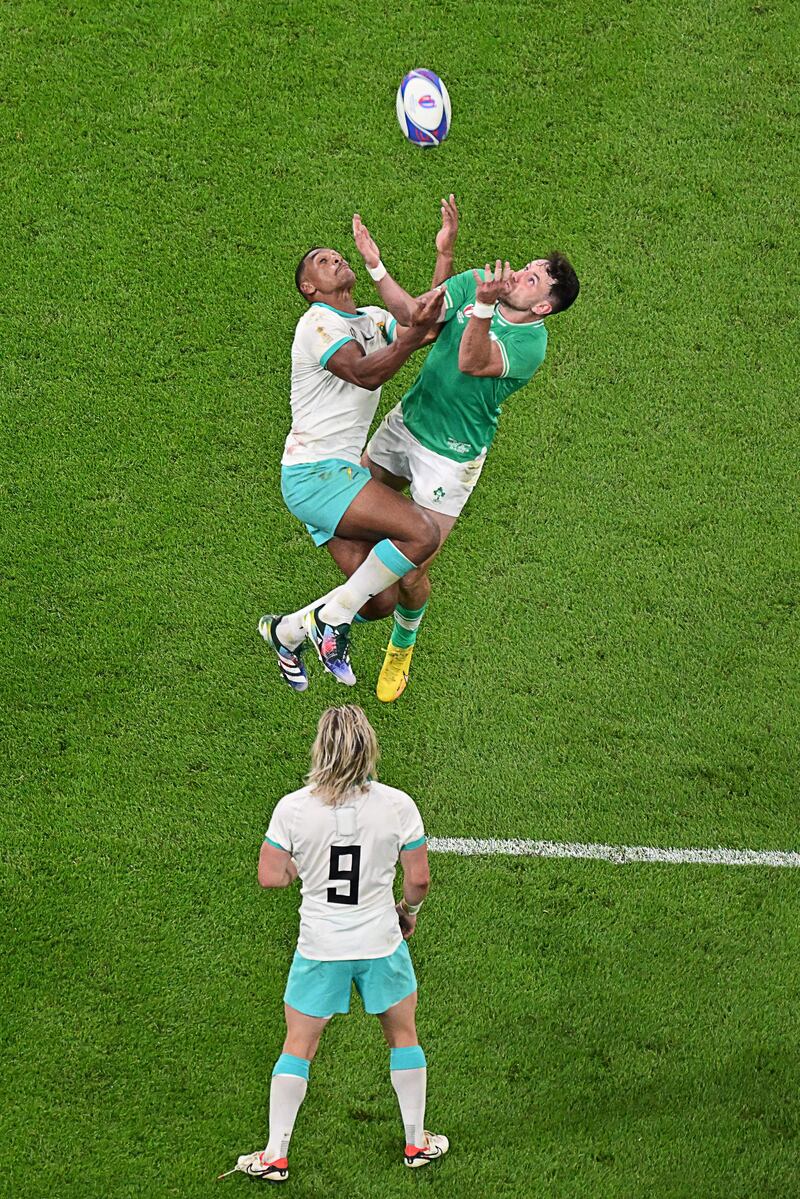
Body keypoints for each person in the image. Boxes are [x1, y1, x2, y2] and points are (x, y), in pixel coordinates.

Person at [353, 199, 580, 701]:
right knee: (348, 508)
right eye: (529, 267)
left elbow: (472, 359)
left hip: (451, 457)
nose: (520, 274)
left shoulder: (530, 346)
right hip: (409, 421)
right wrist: (397, 259)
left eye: (534, 280)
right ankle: (348, 609)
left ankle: (402, 642)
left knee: (412, 570)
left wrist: (478, 305)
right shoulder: (479, 279)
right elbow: (417, 317)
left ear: (543, 307)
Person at [223, 705, 448, 1182]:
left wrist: (301, 868)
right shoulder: (397, 804)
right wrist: (407, 914)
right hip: (381, 942)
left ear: (320, 750)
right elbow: (419, 881)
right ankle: (417, 1142)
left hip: (320, 947)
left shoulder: (293, 808)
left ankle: (274, 1155)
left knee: (298, 1046)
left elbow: (270, 877)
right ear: (368, 749)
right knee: (403, 1038)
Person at [259, 237, 446, 692]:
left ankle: (286, 631)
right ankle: (330, 622)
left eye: (338, 255)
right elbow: (364, 372)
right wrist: (409, 340)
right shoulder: (316, 324)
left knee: (380, 599)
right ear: (309, 286)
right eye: (323, 261)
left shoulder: (370, 319)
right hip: (316, 476)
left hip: (336, 477)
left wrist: (444, 254)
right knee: (421, 534)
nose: (336, 259)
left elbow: (427, 326)